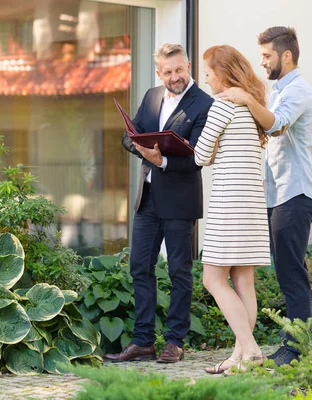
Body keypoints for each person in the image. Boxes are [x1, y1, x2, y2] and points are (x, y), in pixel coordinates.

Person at [104, 44, 213, 364]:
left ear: (189, 66)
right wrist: (143, 149)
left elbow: (197, 158)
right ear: (159, 73)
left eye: (180, 70)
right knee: (140, 267)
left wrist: (162, 159)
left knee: (180, 271)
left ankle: (175, 342)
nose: (175, 77)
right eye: (168, 72)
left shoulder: (203, 104)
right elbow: (129, 135)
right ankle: (142, 341)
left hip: (180, 200)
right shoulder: (151, 96)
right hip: (147, 198)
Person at [220, 26, 312, 366]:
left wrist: (247, 99)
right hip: (278, 194)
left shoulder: (299, 91)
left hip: (297, 192)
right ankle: (291, 344)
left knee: (292, 272)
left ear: (286, 55)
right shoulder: (278, 90)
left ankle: (296, 349)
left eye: (267, 55)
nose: (261, 61)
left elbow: (276, 124)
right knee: (285, 271)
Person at [194, 45, 270, 374]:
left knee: (213, 278)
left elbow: (200, 156)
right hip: (252, 201)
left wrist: (207, 152)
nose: (206, 78)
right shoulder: (251, 108)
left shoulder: (221, 105)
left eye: (209, 72)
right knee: (244, 281)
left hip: (229, 201)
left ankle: (250, 350)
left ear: (222, 74)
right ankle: (239, 358)